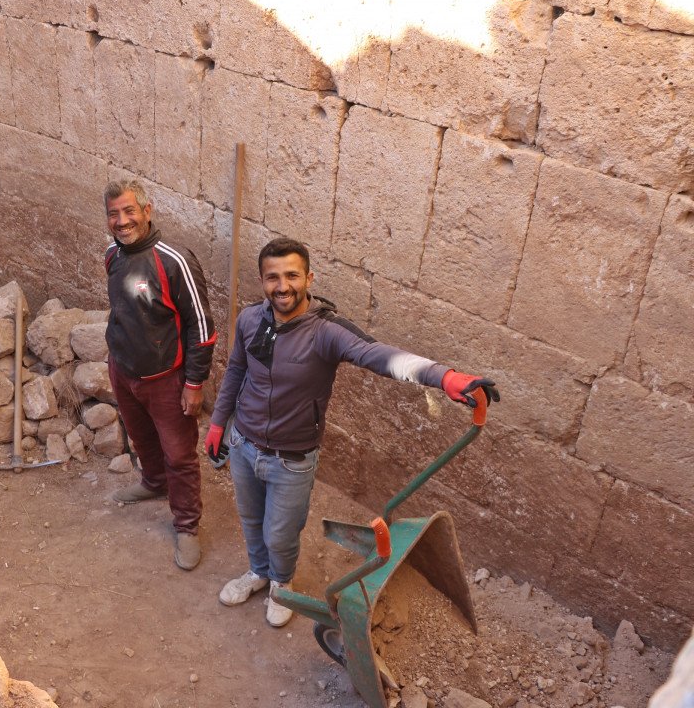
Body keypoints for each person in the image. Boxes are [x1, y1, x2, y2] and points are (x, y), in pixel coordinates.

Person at [205, 237, 499, 626]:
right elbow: (236, 373)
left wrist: (443, 376)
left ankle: (281, 582)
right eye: (272, 277)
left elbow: (379, 355)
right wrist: (217, 423)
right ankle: (259, 572)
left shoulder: (327, 332)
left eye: (292, 275)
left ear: (309, 277)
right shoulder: (249, 320)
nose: (283, 286)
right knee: (251, 520)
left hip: (291, 459)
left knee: (281, 533)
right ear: (262, 281)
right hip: (243, 444)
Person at [103, 179, 217, 570]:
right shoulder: (112, 256)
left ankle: (186, 524)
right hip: (124, 370)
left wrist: (194, 383)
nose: (122, 221)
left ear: (147, 211)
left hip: (166, 379)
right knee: (140, 436)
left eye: (129, 211)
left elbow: (201, 327)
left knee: (180, 455)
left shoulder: (173, 260)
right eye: (114, 214)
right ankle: (153, 482)